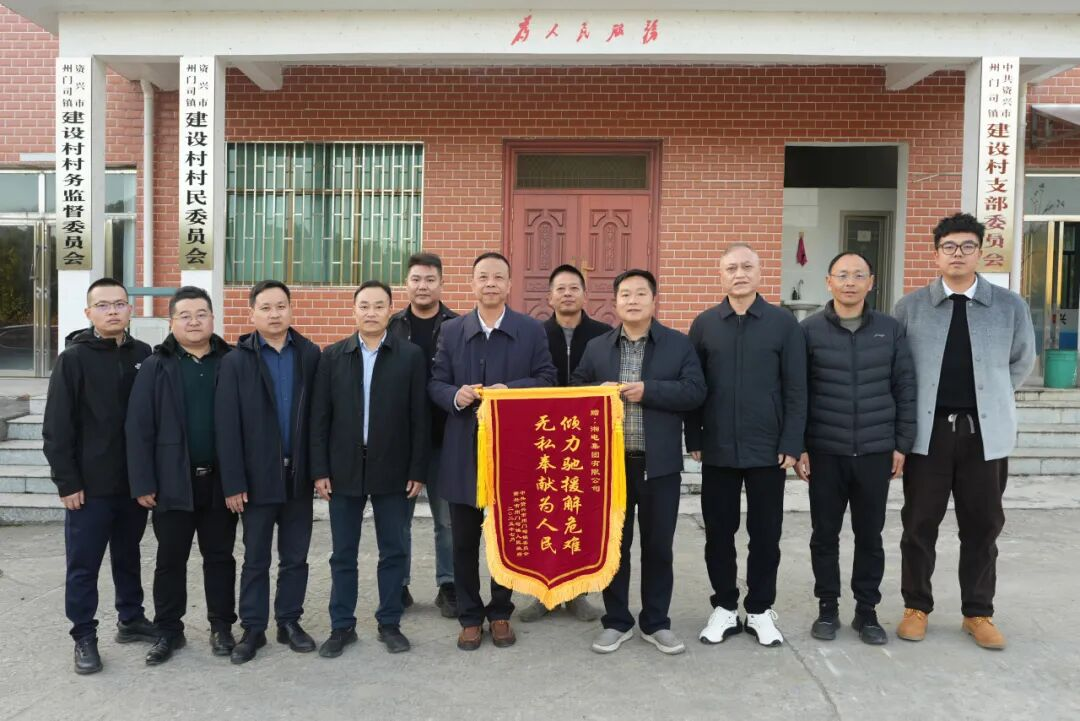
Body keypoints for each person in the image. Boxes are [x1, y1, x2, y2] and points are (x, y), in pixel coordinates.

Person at [893, 212, 1035, 650]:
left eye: (967, 246)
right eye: (949, 247)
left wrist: (992, 398)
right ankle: (916, 606)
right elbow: (898, 370)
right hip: (929, 434)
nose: (958, 254)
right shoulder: (911, 307)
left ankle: (978, 612)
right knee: (919, 523)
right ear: (936, 254)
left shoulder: (1009, 306)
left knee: (983, 525)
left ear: (980, 252)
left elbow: (1022, 361)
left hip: (984, 435)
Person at [572, 269, 706, 655]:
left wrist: (649, 391)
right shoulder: (598, 347)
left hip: (658, 465)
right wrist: (594, 392)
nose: (632, 300)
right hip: (609, 467)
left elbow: (695, 391)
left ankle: (656, 622)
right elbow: (574, 390)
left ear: (653, 300)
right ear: (615, 302)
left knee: (658, 546)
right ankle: (617, 621)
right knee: (615, 545)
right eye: (625, 294)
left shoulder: (677, 344)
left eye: (640, 294)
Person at [429, 251, 556, 651]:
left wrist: (511, 392)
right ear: (472, 284)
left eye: (498, 277)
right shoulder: (452, 331)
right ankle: (469, 616)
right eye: (483, 277)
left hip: (512, 451)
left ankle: (500, 612)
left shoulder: (530, 330)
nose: (490, 283)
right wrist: (456, 394)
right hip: (462, 450)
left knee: (508, 536)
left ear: (509, 284)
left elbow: (547, 379)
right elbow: (435, 383)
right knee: (464, 540)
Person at [687, 243, 807, 648]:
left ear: (760, 272)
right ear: (720, 275)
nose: (739, 274)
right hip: (717, 448)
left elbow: (796, 388)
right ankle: (724, 606)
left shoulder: (783, 324)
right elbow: (694, 385)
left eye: (746, 267)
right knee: (719, 532)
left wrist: (792, 441)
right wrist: (694, 435)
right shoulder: (705, 324)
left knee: (766, 534)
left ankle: (759, 609)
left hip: (768, 449)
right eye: (731, 268)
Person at [795, 253, 916, 645]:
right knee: (824, 535)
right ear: (828, 282)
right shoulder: (809, 330)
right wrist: (800, 446)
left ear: (871, 282)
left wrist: (902, 443)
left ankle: (867, 611)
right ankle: (827, 608)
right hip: (825, 451)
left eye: (858, 275)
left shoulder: (890, 329)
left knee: (870, 536)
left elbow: (905, 387)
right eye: (842, 275)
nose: (850, 282)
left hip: (875, 450)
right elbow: (798, 392)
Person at [42, 277, 156, 674]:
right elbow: (57, 426)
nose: (112, 311)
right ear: (88, 312)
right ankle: (84, 635)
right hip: (89, 488)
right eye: (103, 305)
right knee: (84, 564)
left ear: (130, 309)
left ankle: (131, 618)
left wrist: (148, 478)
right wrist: (67, 481)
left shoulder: (144, 354)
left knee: (128, 555)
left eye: (119, 304)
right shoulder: (73, 359)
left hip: (133, 485)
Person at [311, 281, 430, 657]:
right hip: (343, 469)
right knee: (343, 553)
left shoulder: (410, 356)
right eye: (364, 305)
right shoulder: (333, 356)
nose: (371, 312)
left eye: (379, 306)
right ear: (354, 310)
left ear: (391, 310)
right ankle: (341, 626)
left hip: (393, 468)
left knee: (393, 550)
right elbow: (320, 418)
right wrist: (320, 470)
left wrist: (417, 469)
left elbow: (420, 418)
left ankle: (389, 622)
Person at [126, 286, 236, 665]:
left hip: (220, 483)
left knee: (220, 557)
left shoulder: (231, 361)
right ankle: (168, 630)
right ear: (171, 321)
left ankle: (222, 626)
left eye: (201, 314)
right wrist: (143, 482)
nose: (194, 321)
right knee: (170, 560)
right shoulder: (156, 365)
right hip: (172, 482)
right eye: (184, 315)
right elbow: (138, 427)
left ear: (213, 318)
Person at [215, 280, 321, 664]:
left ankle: (289, 621)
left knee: (295, 557)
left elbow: (319, 418)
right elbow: (226, 426)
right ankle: (253, 627)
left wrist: (319, 471)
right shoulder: (235, 361)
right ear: (252, 313)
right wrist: (233, 482)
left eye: (280, 306)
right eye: (265, 307)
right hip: (256, 480)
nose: (274, 314)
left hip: (298, 477)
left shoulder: (310, 354)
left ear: (291, 309)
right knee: (256, 557)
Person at [519, 263, 611, 624]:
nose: (567, 294)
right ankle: (543, 593)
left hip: (586, 439)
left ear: (585, 295)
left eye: (574, 288)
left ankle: (577, 593)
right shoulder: (535, 334)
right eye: (561, 288)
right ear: (550, 297)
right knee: (543, 516)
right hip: (542, 439)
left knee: (581, 516)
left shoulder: (604, 335)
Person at [388, 252, 458, 617]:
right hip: (402, 442)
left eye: (430, 279)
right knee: (399, 519)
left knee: (447, 520)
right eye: (416, 279)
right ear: (406, 284)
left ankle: (449, 585)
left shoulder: (458, 326)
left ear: (441, 284)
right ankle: (398, 585)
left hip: (446, 439)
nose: (423, 286)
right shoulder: (391, 326)